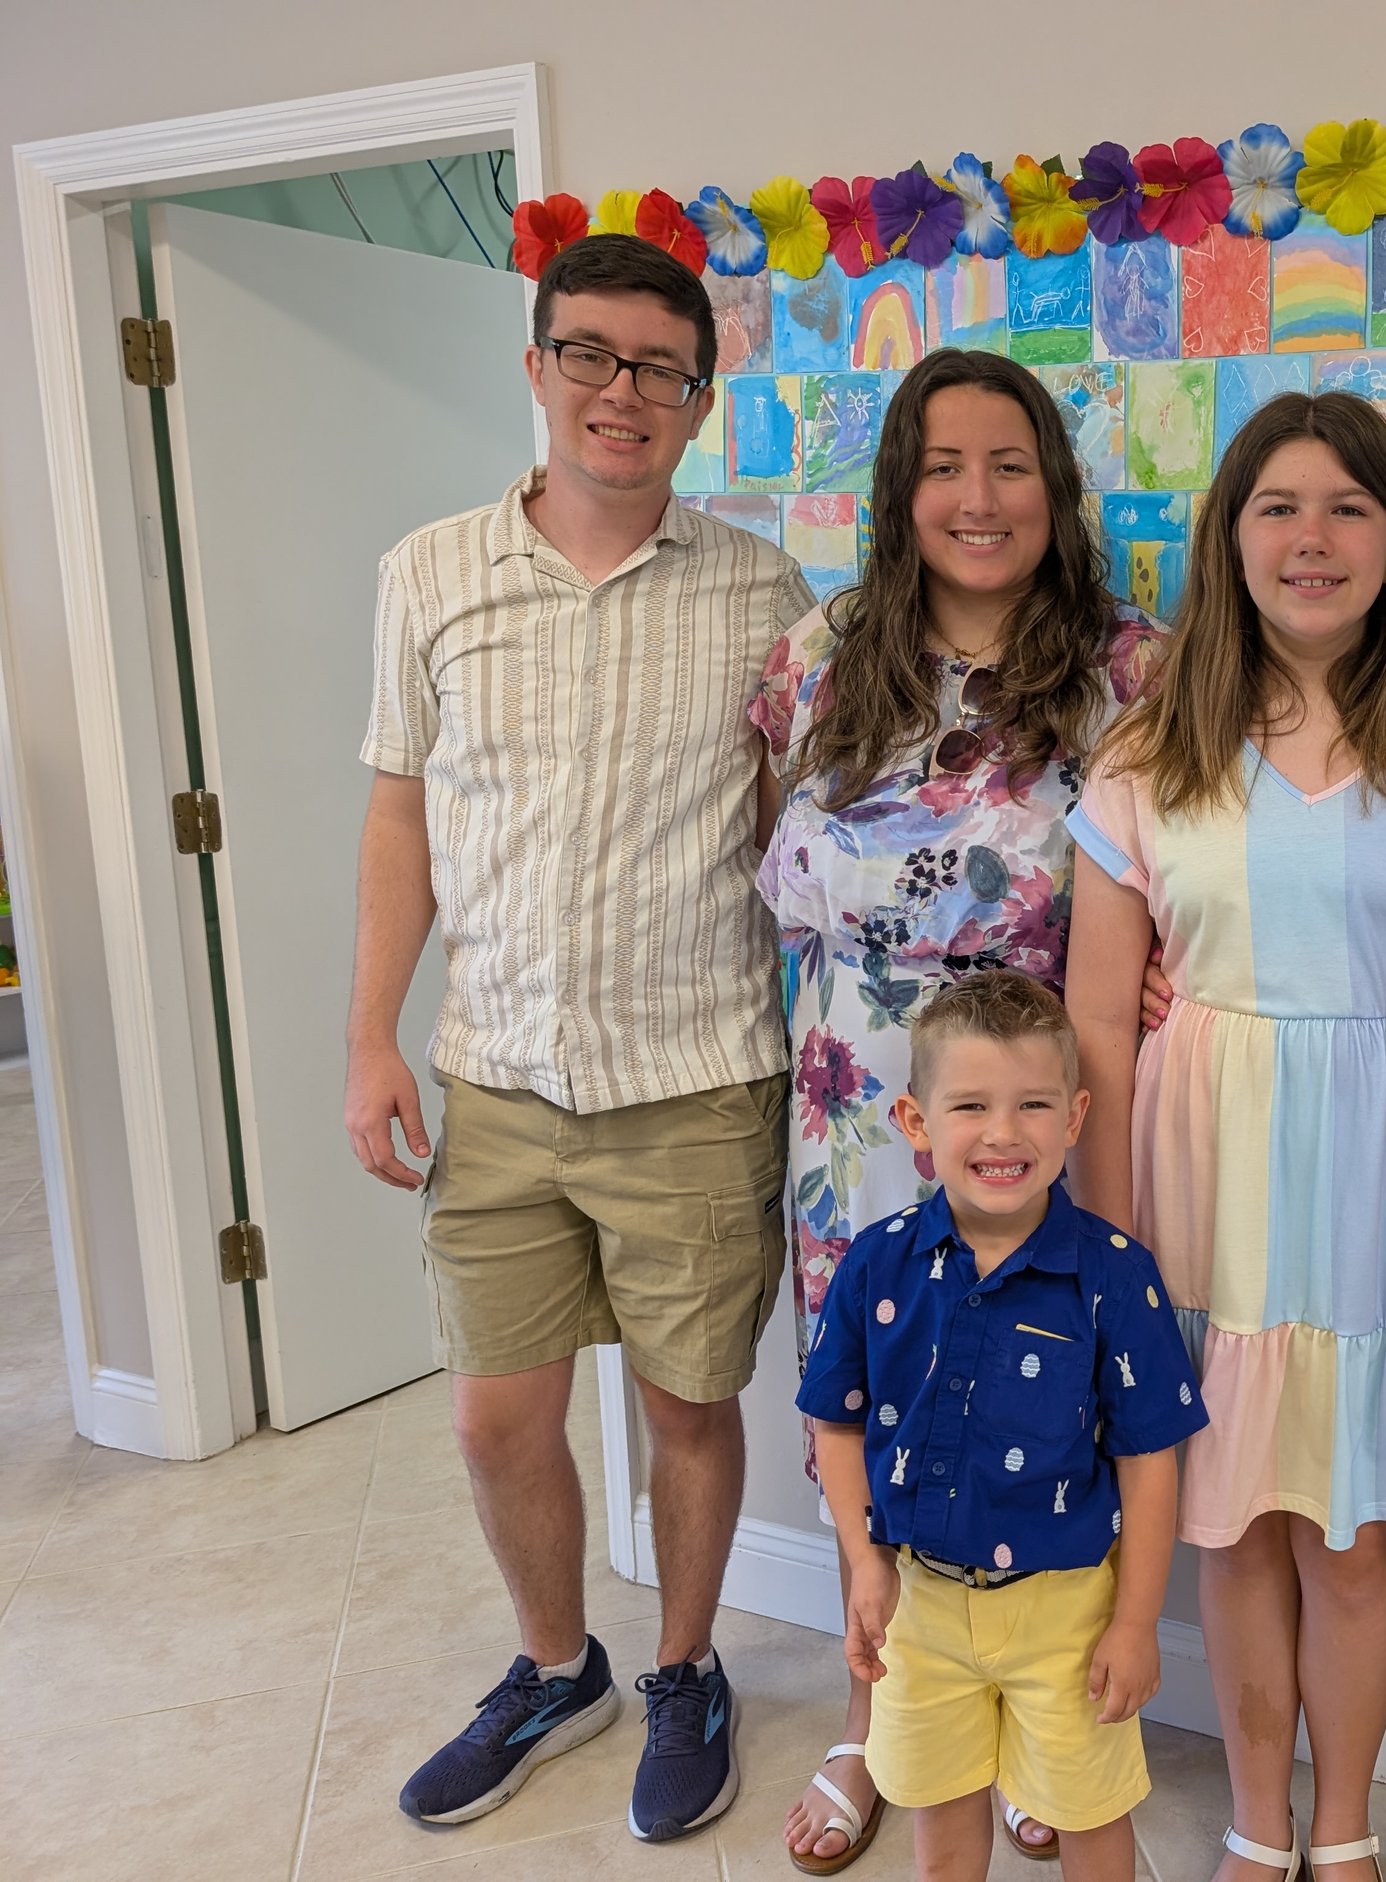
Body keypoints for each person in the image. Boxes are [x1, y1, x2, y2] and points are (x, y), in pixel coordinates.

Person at [345, 232, 813, 1838]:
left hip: (696, 1076)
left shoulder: (762, 591)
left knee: (690, 1406)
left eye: (660, 367)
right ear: (538, 367)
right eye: (592, 355)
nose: (624, 391)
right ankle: (559, 1668)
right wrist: (370, 1035)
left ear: (700, 400)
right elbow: (399, 817)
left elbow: (798, 833)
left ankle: (685, 1667)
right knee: (495, 1415)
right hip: (496, 1076)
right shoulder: (429, 573)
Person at [1065, 391, 1386, 1882]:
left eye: (1348, 506)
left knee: (1355, 1541)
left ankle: (1342, 1835)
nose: (1311, 536)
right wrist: (1107, 1265)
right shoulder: (1147, 757)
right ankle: (1253, 1827)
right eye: (1278, 505)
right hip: (1204, 1197)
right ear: (1231, 537)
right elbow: (1097, 1023)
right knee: (1231, 1531)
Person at [751, 346, 1165, 1870]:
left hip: (1031, 1104)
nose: (978, 497)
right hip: (858, 1101)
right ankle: (880, 1720)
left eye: (1009, 464)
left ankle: (1041, 1714)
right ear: (900, 490)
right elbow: (769, 865)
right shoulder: (820, 655)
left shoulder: (1132, 671)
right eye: (943, 466)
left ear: (1053, 486)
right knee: (875, 1400)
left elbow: (1179, 889)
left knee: (1045, 1396)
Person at [799, 970, 1205, 1882]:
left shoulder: (1115, 1277)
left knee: (1088, 1815)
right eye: (971, 1105)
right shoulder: (875, 1266)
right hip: (921, 1606)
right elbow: (836, 1422)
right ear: (916, 1121)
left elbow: (1150, 1462)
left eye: (1033, 1105)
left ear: (1074, 1117)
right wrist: (866, 1562)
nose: (1003, 1133)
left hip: (1066, 1614)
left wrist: (1136, 1623)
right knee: (941, 1823)